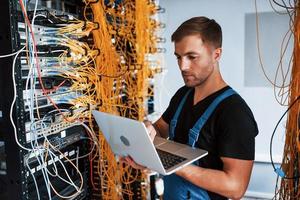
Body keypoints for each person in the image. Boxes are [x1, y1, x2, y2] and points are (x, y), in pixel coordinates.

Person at [124, 16, 258, 200]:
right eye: (178, 57)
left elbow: (235, 187)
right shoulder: (183, 94)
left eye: (192, 57)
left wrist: (173, 165)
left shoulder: (234, 113)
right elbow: (160, 130)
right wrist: (145, 133)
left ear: (216, 54)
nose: (183, 66)